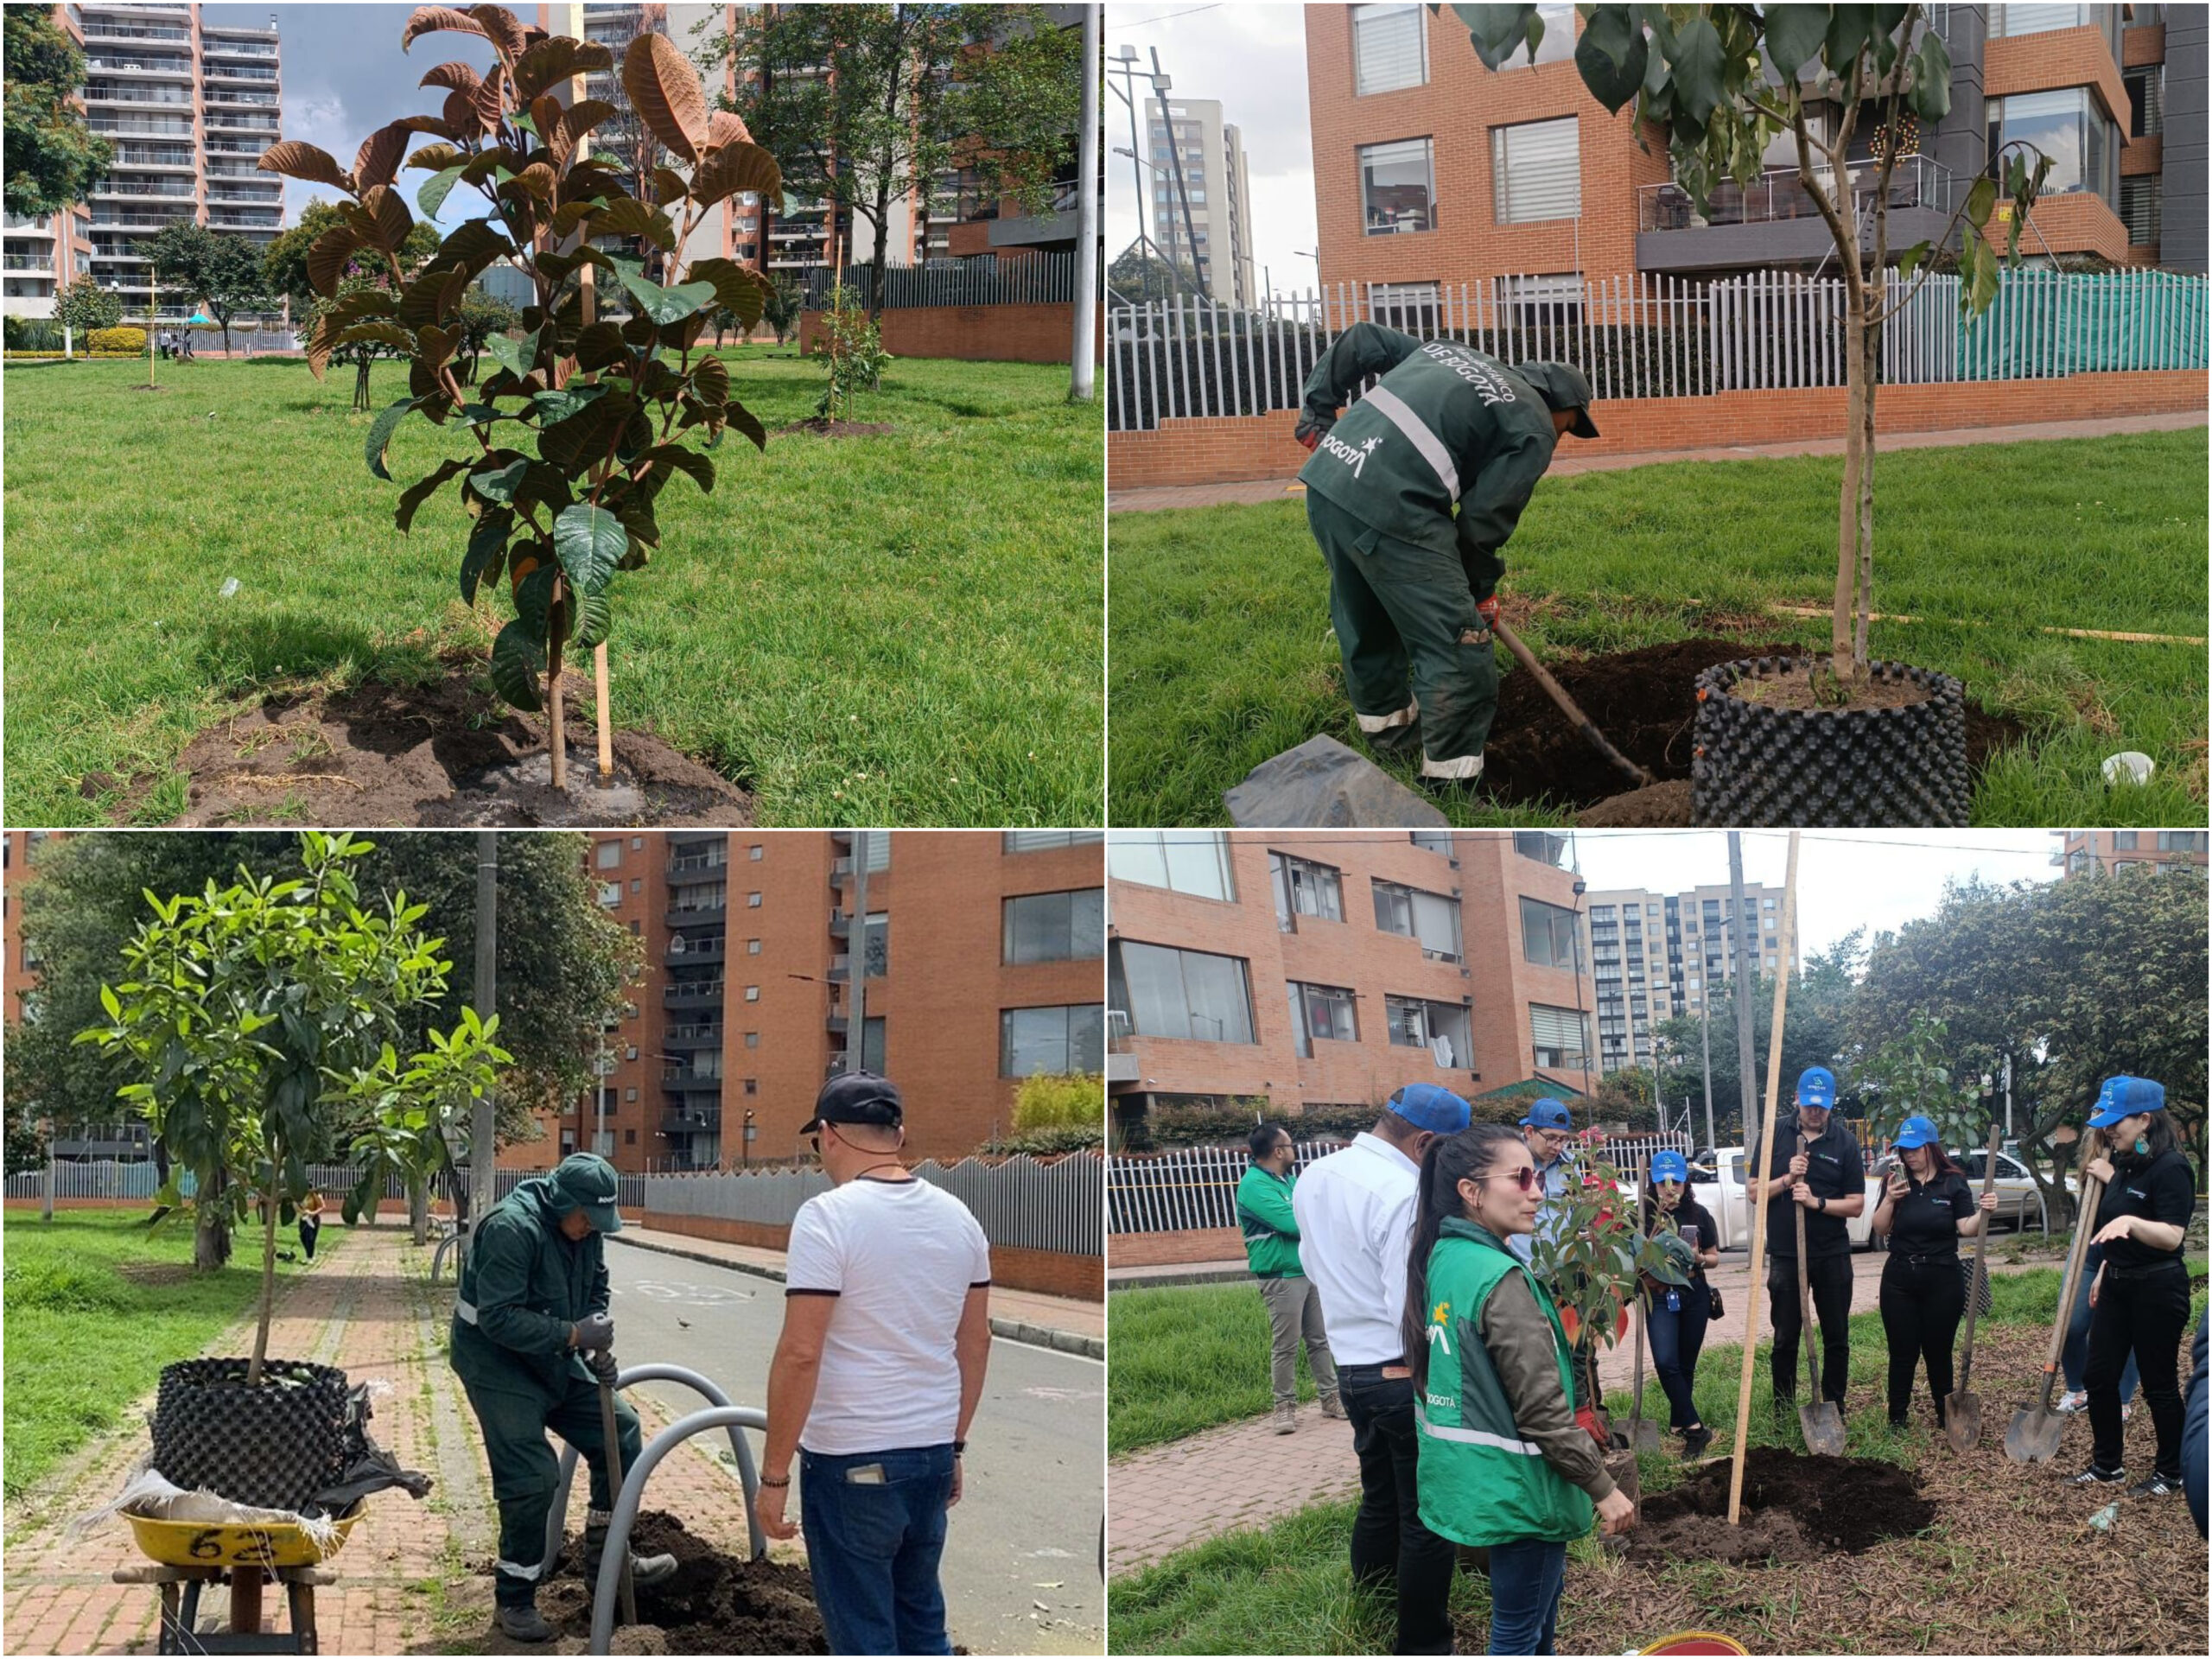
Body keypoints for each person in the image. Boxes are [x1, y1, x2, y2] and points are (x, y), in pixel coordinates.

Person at [1291, 321, 1600, 794]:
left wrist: (1316, 414)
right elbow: (1481, 523)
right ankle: (1453, 785)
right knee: (1460, 646)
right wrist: (1477, 594)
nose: (1563, 437)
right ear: (1561, 407)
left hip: (1329, 483)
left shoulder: (1446, 353)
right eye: (1571, 427)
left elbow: (1364, 339)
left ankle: (1391, 739)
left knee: (1366, 619)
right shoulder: (1533, 423)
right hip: (1394, 509)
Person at [757, 1071, 993, 1656]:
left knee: (863, 1634)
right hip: (931, 1456)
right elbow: (976, 1342)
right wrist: (955, 1444)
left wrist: (774, 1476)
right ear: (899, 1135)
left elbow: (801, 1351)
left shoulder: (827, 1217)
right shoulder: (960, 1219)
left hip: (850, 1461)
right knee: (920, 1623)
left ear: (829, 1135)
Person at [1405, 1125, 1636, 1656]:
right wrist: (1603, 1488)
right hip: (1520, 1488)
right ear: (1471, 1191)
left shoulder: (1445, 1256)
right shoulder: (1499, 1278)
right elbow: (1542, 1415)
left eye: (1536, 1177)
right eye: (1521, 1177)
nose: (1537, 1190)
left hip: (1476, 1479)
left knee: (1530, 1615)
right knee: (1518, 1631)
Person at [449, 1153, 675, 1643]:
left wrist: (595, 1335)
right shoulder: (513, 1229)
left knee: (622, 1428)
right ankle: (515, 1596)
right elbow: (499, 1318)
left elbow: (596, 1285)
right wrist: (575, 1334)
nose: (591, 1231)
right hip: (496, 1362)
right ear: (562, 1203)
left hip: (552, 1351)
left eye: (599, 1224)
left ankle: (607, 1561)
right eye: (586, 1221)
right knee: (534, 1477)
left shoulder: (585, 1231)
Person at [1291, 1083, 1471, 1656]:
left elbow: (1312, 1267)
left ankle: (1370, 1605)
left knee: (1379, 1497)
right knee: (1428, 1515)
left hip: (1351, 1368)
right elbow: (1409, 1300)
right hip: (1398, 1369)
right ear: (1424, 1142)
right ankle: (1422, 1644)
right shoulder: (1402, 1191)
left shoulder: (1317, 1174)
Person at [2069, 1077, 2193, 1498]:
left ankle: (2171, 1471)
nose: (2108, 1129)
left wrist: (2133, 1223)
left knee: (2159, 1383)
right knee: (2098, 1376)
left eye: (2116, 1121)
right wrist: (2105, 1270)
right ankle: (2108, 1465)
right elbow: (2113, 1226)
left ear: (2144, 1120)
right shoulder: (2124, 1164)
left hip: (2158, 1289)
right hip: (2118, 1284)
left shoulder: (2172, 1168)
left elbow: (2173, 1237)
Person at [1751, 1066, 1865, 1421]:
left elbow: (1857, 1204)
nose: (1816, 1112)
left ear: (1832, 1104)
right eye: (1810, 1104)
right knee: (1785, 1337)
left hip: (1831, 1254)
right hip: (1787, 1255)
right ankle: (1783, 1410)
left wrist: (1817, 1202)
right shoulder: (1773, 1135)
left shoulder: (1845, 1142)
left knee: (1836, 1336)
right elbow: (1755, 1193)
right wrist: (1786, 1179)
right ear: (1797, 1099)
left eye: (1823, 1106)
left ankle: (1834, 1406)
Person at [1868, 1116, 1998, 1430]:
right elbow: (1880, 1227)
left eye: (1915, 1149)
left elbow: (1966, 1227)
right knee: (1902, 1351)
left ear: (1931, 1148)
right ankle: (1897, 1417)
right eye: (1904, 1150)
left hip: (1943, 1276)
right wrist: (1889, 1199)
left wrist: (1985, 1212)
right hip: (1900, 1276)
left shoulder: (1953, 1182)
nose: (1908, 1155)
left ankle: (1946, 1415)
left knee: (1939, 1351)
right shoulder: (1894, 1181)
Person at [1236, 1122, 1342, 1434]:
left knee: (1320, 1339)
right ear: (1278, 1151)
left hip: (1307, 1270)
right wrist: (1315, 1218)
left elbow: (1317, 1213)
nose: (1295, 1149)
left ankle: (1330, 1398)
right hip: (1281, 1276)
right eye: (1290, 1144)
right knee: (1286, 1344)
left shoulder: (1289, 1181)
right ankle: (1284, 1408)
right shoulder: (1254, 1185)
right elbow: (1292, 1223)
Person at [1639, 1150, 1720, 1459]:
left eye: (1676, 1182)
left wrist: (1699, 1257)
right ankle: (1698, 1430)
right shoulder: (1643, 1216)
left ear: (1686, 1182)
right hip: (1659, 1295)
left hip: (1694, 1294)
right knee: (1665, 1362)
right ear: (1653, 1184)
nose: (1670, 1189)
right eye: (1663, 1183)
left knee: (1686, 1364)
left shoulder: (1698, 1214)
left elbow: (1714, 1258)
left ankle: (1679, 1423)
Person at [2056, 1123, 2140, 1419]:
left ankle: (2122, 1398)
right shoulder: (2097, 1153)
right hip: (2088, 1246)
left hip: (2130, 1247)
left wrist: (2113, 1178)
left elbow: (2144, 1204)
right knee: (2070, 1321)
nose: (2108, 1128)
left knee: (2126, 1327)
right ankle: (2077, 1389)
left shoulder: (2149, 1157)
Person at [298, 1188, 326, 1262]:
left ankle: (309, 1257)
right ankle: (309, 1254)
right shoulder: (300, 1195)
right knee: (303, 1237)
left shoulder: (316, 1195)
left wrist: (312, 1213)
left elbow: (322, 1206)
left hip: (314, 1219)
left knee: (310, 1238)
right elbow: (295, 1205)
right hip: (304, 1218)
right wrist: (302, 1212)